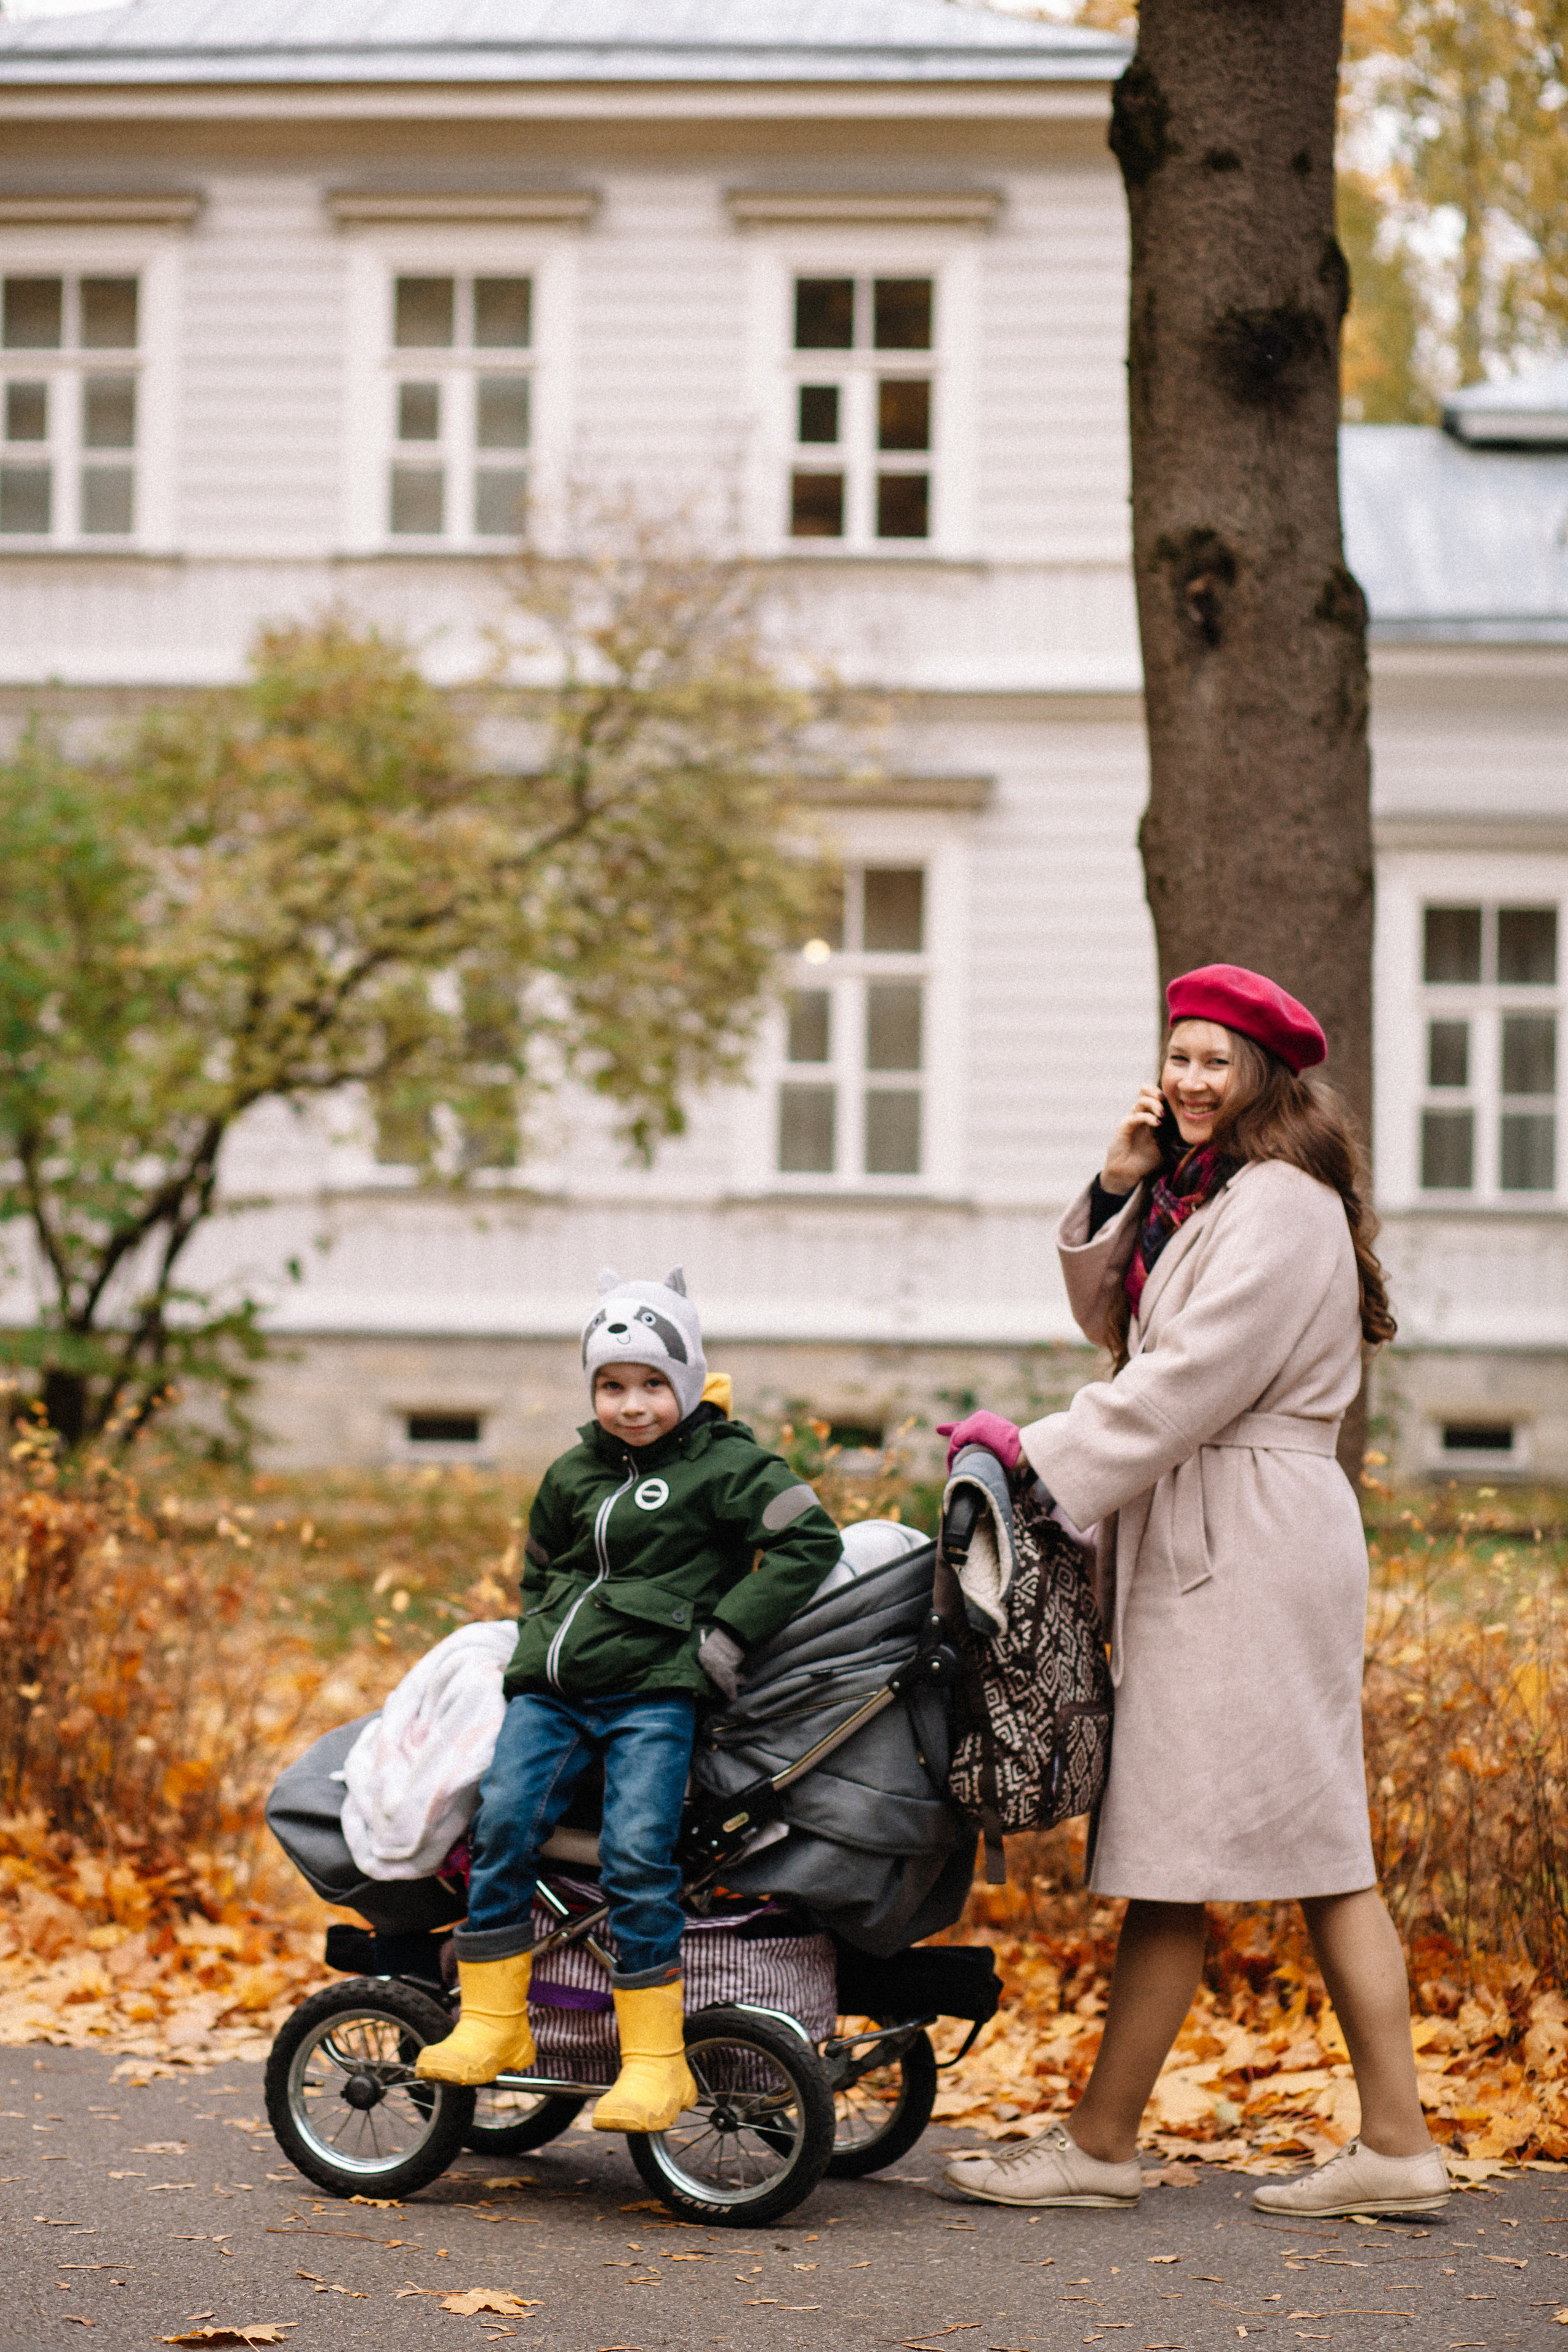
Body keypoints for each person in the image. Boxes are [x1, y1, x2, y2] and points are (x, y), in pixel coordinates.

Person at [938, 963, 1449, 2220]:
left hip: (1250, 1541)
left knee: (1288, 1846)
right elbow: (1119, 1327)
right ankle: (1130, 2142)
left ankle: (1325, 2143)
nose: (1188, 1079)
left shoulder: (1277, 1202)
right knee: (1191, 1845)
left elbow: (1191, 1378)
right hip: (1224, 1533)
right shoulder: (1203, 1194)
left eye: (1215, 1060)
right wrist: (1117, 1186)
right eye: (1176, 1055)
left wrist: (1037, 1461)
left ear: (1266, 1076)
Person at [416, 1267, 842, 2131]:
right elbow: (544, 1566)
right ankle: (495, 2022)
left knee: (639, 1854)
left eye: (653, 1383)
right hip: (555, 1695)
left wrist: (724, 1638)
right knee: (501, 1827)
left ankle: (655, 2060)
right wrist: (540, 1639)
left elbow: (810, 1538)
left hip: (653, 1695)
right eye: (612, 1385)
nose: (632, 1404)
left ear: (687, 1381)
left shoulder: (727, 1466)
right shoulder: (573, 1472)